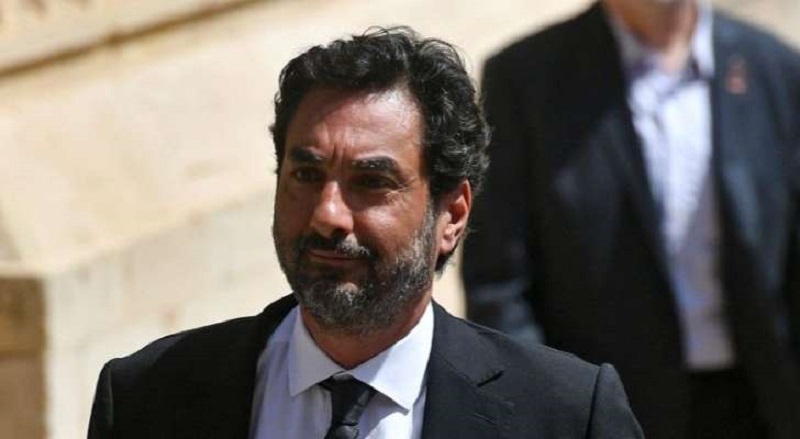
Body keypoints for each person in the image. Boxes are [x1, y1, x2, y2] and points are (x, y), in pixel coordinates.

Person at [87, 27, 643, 439]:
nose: (327, 215)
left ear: (451, 215)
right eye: (306, 176)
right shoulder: (147, 397)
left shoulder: (566, 416)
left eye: (371, 182)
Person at [461, 0, 800, 438]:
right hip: (601, 412)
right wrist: (543, 410)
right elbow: (499, 282)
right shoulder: (526, 79)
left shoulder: (773, 69)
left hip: (760, 404)